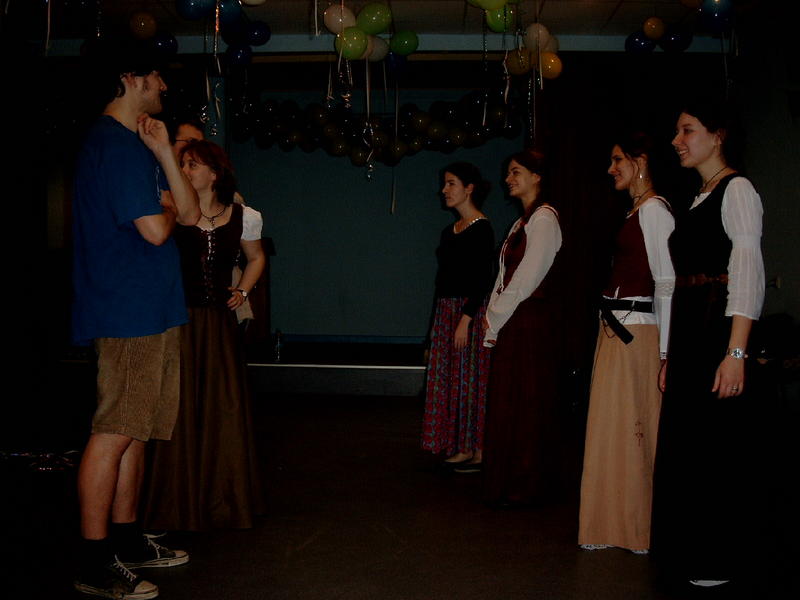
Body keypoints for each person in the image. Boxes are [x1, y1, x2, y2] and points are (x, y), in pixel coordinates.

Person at [72, 42, 200, 599]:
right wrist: (167, 207)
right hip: (127, 311)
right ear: (130, 78)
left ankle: (125, 540)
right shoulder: (113, 145)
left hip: (153, 307)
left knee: (136, 432)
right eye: (156, 77)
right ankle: (94, 560)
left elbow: (189, 213)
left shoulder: (139, 145)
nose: (164, 87)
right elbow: (156, 228)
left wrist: (166, 152)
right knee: (114, 432)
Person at [651, 100, 765, 589]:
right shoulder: (699, 196)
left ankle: (716, 557)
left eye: (687, 130)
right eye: (677, 131)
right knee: (688, 447)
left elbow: (747, 274)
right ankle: (687, 551)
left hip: (716, 332)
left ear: (718, 135)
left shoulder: (737, 190)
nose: (677, 141)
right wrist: (669, 354)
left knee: (714, 449)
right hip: (691, 333)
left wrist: (736, 352)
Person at [142, 140, 266, 531]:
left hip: (219, 327)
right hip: (180, 323)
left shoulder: (243, 215)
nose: (185, 170)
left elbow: (256, 257)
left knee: (222, 406)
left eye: (192, 164)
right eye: (182, 164)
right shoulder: (171, 213)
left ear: (214, 174)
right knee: (179, 407)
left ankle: (224, 500)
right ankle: (177, 503)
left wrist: (242, 290)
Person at [578, 133, 675, 554]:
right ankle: (607, 525)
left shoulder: (655, 211)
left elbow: (666, 283)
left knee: (636, 430)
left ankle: (637, 529)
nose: (611, 168)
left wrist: (667, 351)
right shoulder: (635, 211)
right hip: (615, 331)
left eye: (618, 160)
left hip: (639, 334)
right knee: (610, 430)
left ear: (641, 161)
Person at [482, 150, 565, 506]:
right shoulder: (522, 222)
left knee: (527, 400)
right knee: (511, 399)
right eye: (508, 172)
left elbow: (527, 279)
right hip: (515, 320)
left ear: (537, 176)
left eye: (516, 172)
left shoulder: (544, 219)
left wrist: (495, 315)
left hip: (530, 322)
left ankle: (526, 483)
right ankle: (508, 480)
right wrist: (494, 314)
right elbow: (504, 275)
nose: (508, 179)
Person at [421, 162, 494, 471]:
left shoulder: (482, 228)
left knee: (470, 380)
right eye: (445, 183)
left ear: (469, 188)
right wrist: (433, 329)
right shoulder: (449, 232)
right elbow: (442, 282)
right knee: (450, 379)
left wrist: (466, 319)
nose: (445, 190)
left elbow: (483, 278)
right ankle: (459, 444)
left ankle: (476, 448)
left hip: (468, 312)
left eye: (451, 183)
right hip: (447, 311)